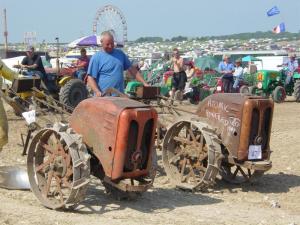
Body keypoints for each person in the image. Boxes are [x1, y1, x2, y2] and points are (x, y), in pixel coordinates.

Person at [87, 31, 148, 96]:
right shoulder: (96, 58)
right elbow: (90, 78)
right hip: (103, 97)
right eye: (107, 44)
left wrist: (144, 83)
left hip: (119, 96)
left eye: (112, 43)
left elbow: (132, 70)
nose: (110, 46)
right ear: (101, 43)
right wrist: (97, 91)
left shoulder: (120, 54)